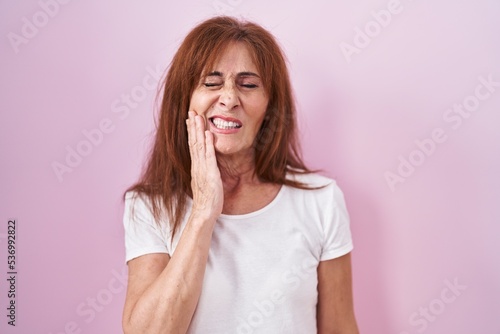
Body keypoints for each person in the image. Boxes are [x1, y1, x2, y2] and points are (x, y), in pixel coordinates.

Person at [121, 16, 359, 334]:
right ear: (185, 101)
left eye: (248, 85)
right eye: (211, 82)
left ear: (270, 105)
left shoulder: (321, 199)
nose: (230, 98)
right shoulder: (149, 205)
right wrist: (204, 211)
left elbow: (340, 328)